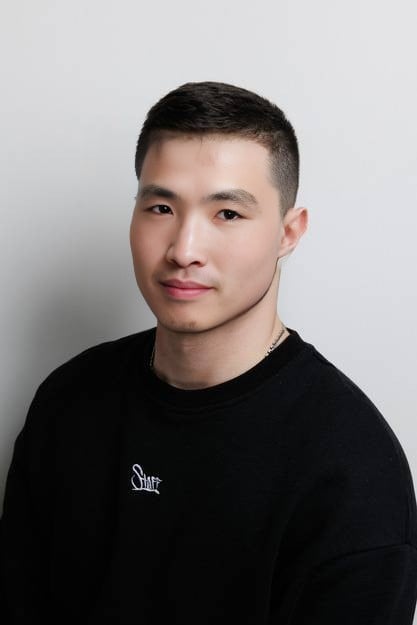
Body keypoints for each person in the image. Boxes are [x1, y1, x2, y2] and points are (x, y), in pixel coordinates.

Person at [1, 81, 417, 624]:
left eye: (227, 214)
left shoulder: (353, 470)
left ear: (289, 233)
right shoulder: (69, 399)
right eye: (160, 207)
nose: (184, 250)